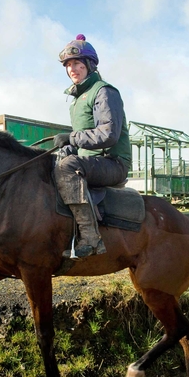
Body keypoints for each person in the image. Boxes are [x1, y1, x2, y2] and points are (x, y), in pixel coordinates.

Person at [52, 34, 132, 259]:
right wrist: (69, 147)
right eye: (68, 65)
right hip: (92, 162)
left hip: (113, 163)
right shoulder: (78, 99)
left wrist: (72, 138)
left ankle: (90, 238)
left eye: (77, 64)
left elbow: (108, 134)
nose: (72, 69)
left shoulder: (104, 91)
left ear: (89, 66)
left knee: (67, 167)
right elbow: (83, 142)